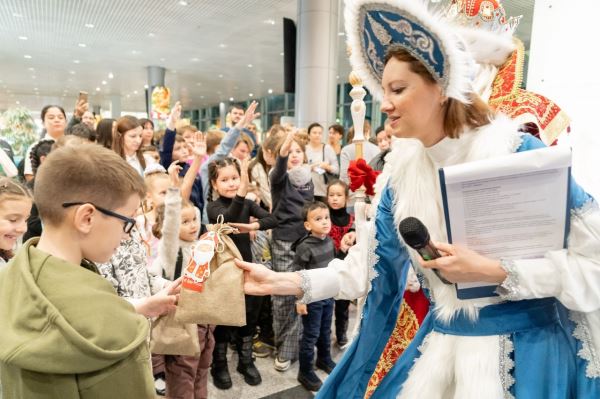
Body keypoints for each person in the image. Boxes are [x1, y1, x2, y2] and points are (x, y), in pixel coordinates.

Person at [234, 1, 600, 398]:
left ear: (441, 86)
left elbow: (593, 266)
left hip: (529, 361)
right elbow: (368, 271)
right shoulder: (401, 177)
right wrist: (283, 280)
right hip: (441, 354)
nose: (384, 103)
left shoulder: (519, 152)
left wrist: (498, 271)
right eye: (383, 90)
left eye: (398, 89)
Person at [0, 143, 156, 398]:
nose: (127, 236)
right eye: (127, 222)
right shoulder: (114, 327)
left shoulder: (9, 277)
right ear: (86, 218)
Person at [206, 157, 278, 389]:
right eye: (224, 179)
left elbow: (272, 218)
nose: (231, 183)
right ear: (214, 184)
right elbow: (227, 218)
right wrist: (242, 194)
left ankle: (245, 360)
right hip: (224, 270)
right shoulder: (213, 206)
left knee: (249, 314)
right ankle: (219, 364)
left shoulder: (247, 203)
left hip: (246, 266)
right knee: (225, 318)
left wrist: (252, 226)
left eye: (235, 178)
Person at [269, 129, 314, 372]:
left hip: (307, 242)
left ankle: (295, 345)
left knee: (304, 292)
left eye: (299, 151)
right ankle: (283, 349)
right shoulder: (278, 177)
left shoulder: (308, 179)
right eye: (290, 151)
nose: (295, 155)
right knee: (283, 297)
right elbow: (279, 167)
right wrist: (284, 148)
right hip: (284, 241)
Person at [293, 201, 337, 391]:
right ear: (308, 225)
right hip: (312, 299)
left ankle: (324, 359)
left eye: (326, 217)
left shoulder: (329, 240)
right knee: (311, 334)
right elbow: (298, 276)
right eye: (318, 219)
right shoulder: (304, 247)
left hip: (327, 296)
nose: (325, 222)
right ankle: (305, 371)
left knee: (326, 330)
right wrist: (300, 300)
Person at [325, 180, 355, 349]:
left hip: (345, 268)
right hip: (327, 267)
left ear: (346, 197)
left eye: (339, 195)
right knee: (327, 303)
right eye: (331, 195)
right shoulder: (324, 217)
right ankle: (325, 333)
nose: (335, 199)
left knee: (343, 304)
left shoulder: (353, 221)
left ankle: (341, 332)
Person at [23, 105, 67, 181]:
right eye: (51, 118)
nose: (57, 120)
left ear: (66, 122)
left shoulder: (73, 144)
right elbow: (30, 177)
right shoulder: (35, 147)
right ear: (43, 123)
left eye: (60, 117)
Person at [305, 123, 340, 202]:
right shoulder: (304, 149)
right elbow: (299, 168)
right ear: (308, 135)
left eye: (320, 133)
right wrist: (311, 167)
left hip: (323, 190)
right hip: (306, 190)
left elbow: (337, 169)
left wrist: (326, 166)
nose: (317, 135)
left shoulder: (327, 148)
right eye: (314, 133)